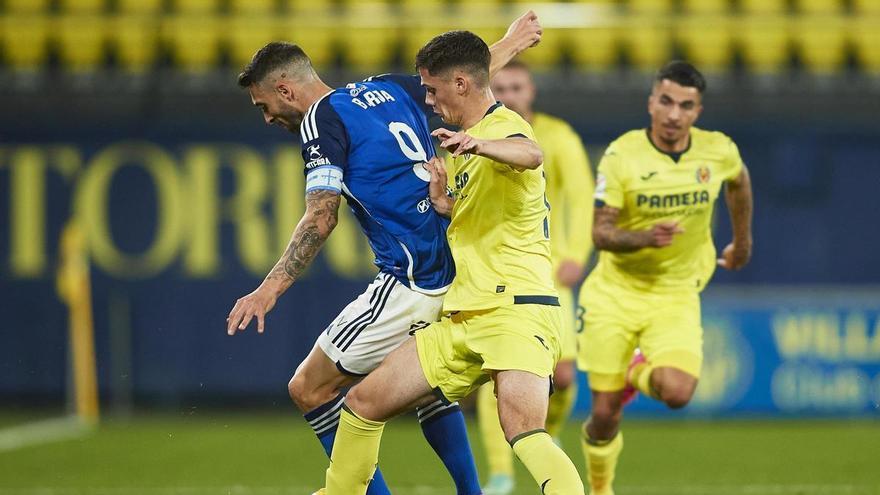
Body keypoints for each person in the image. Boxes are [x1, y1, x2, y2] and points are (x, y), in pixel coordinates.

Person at [225, 12, 544, 495]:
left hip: (412, 279)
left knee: (308, 388)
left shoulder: (320, 121)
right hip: (457, 265)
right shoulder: (388, 89)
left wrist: (269, 289)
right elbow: (464, 79)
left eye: (264, 105)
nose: (268, 117)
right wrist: (509, 42)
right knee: (424, 387)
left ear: (286, 91)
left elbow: (321, 216)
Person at [320, 30, 585, 495]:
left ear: (460, 84)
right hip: (465, 316)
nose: (427, 98)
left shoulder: (501, 129)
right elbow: (491, 214)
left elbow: (530, 153)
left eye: (431, 88)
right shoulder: (463, 143)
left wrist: (479, 146)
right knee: (363, 403)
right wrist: (447, 206)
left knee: (523, 428)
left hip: (517, 312)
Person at [577, 61, 754, 495]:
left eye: (686, 106)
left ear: (698, 111)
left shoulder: (718, 151)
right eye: (667, 102)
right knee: (603, 416)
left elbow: (740, 183)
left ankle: (636, 371)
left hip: (675, 294)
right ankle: (601, 489)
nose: (675, 114)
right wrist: (643, 238)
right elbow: (600, 234)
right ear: (651, 103)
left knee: (677, 392)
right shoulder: (622, 156)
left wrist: (743, 242)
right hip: (614, 293)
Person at [476, 59, 594, 495]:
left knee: (562, 376)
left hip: (549, 268)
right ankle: (501, 473)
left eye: (517, 87)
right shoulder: (480, 137)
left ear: (532, 91)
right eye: (500, 87)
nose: (509, 95)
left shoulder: (557, 137)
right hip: (497, 271)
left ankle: (545, 433)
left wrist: (577, 252)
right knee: (502, 370)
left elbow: (581, 198)